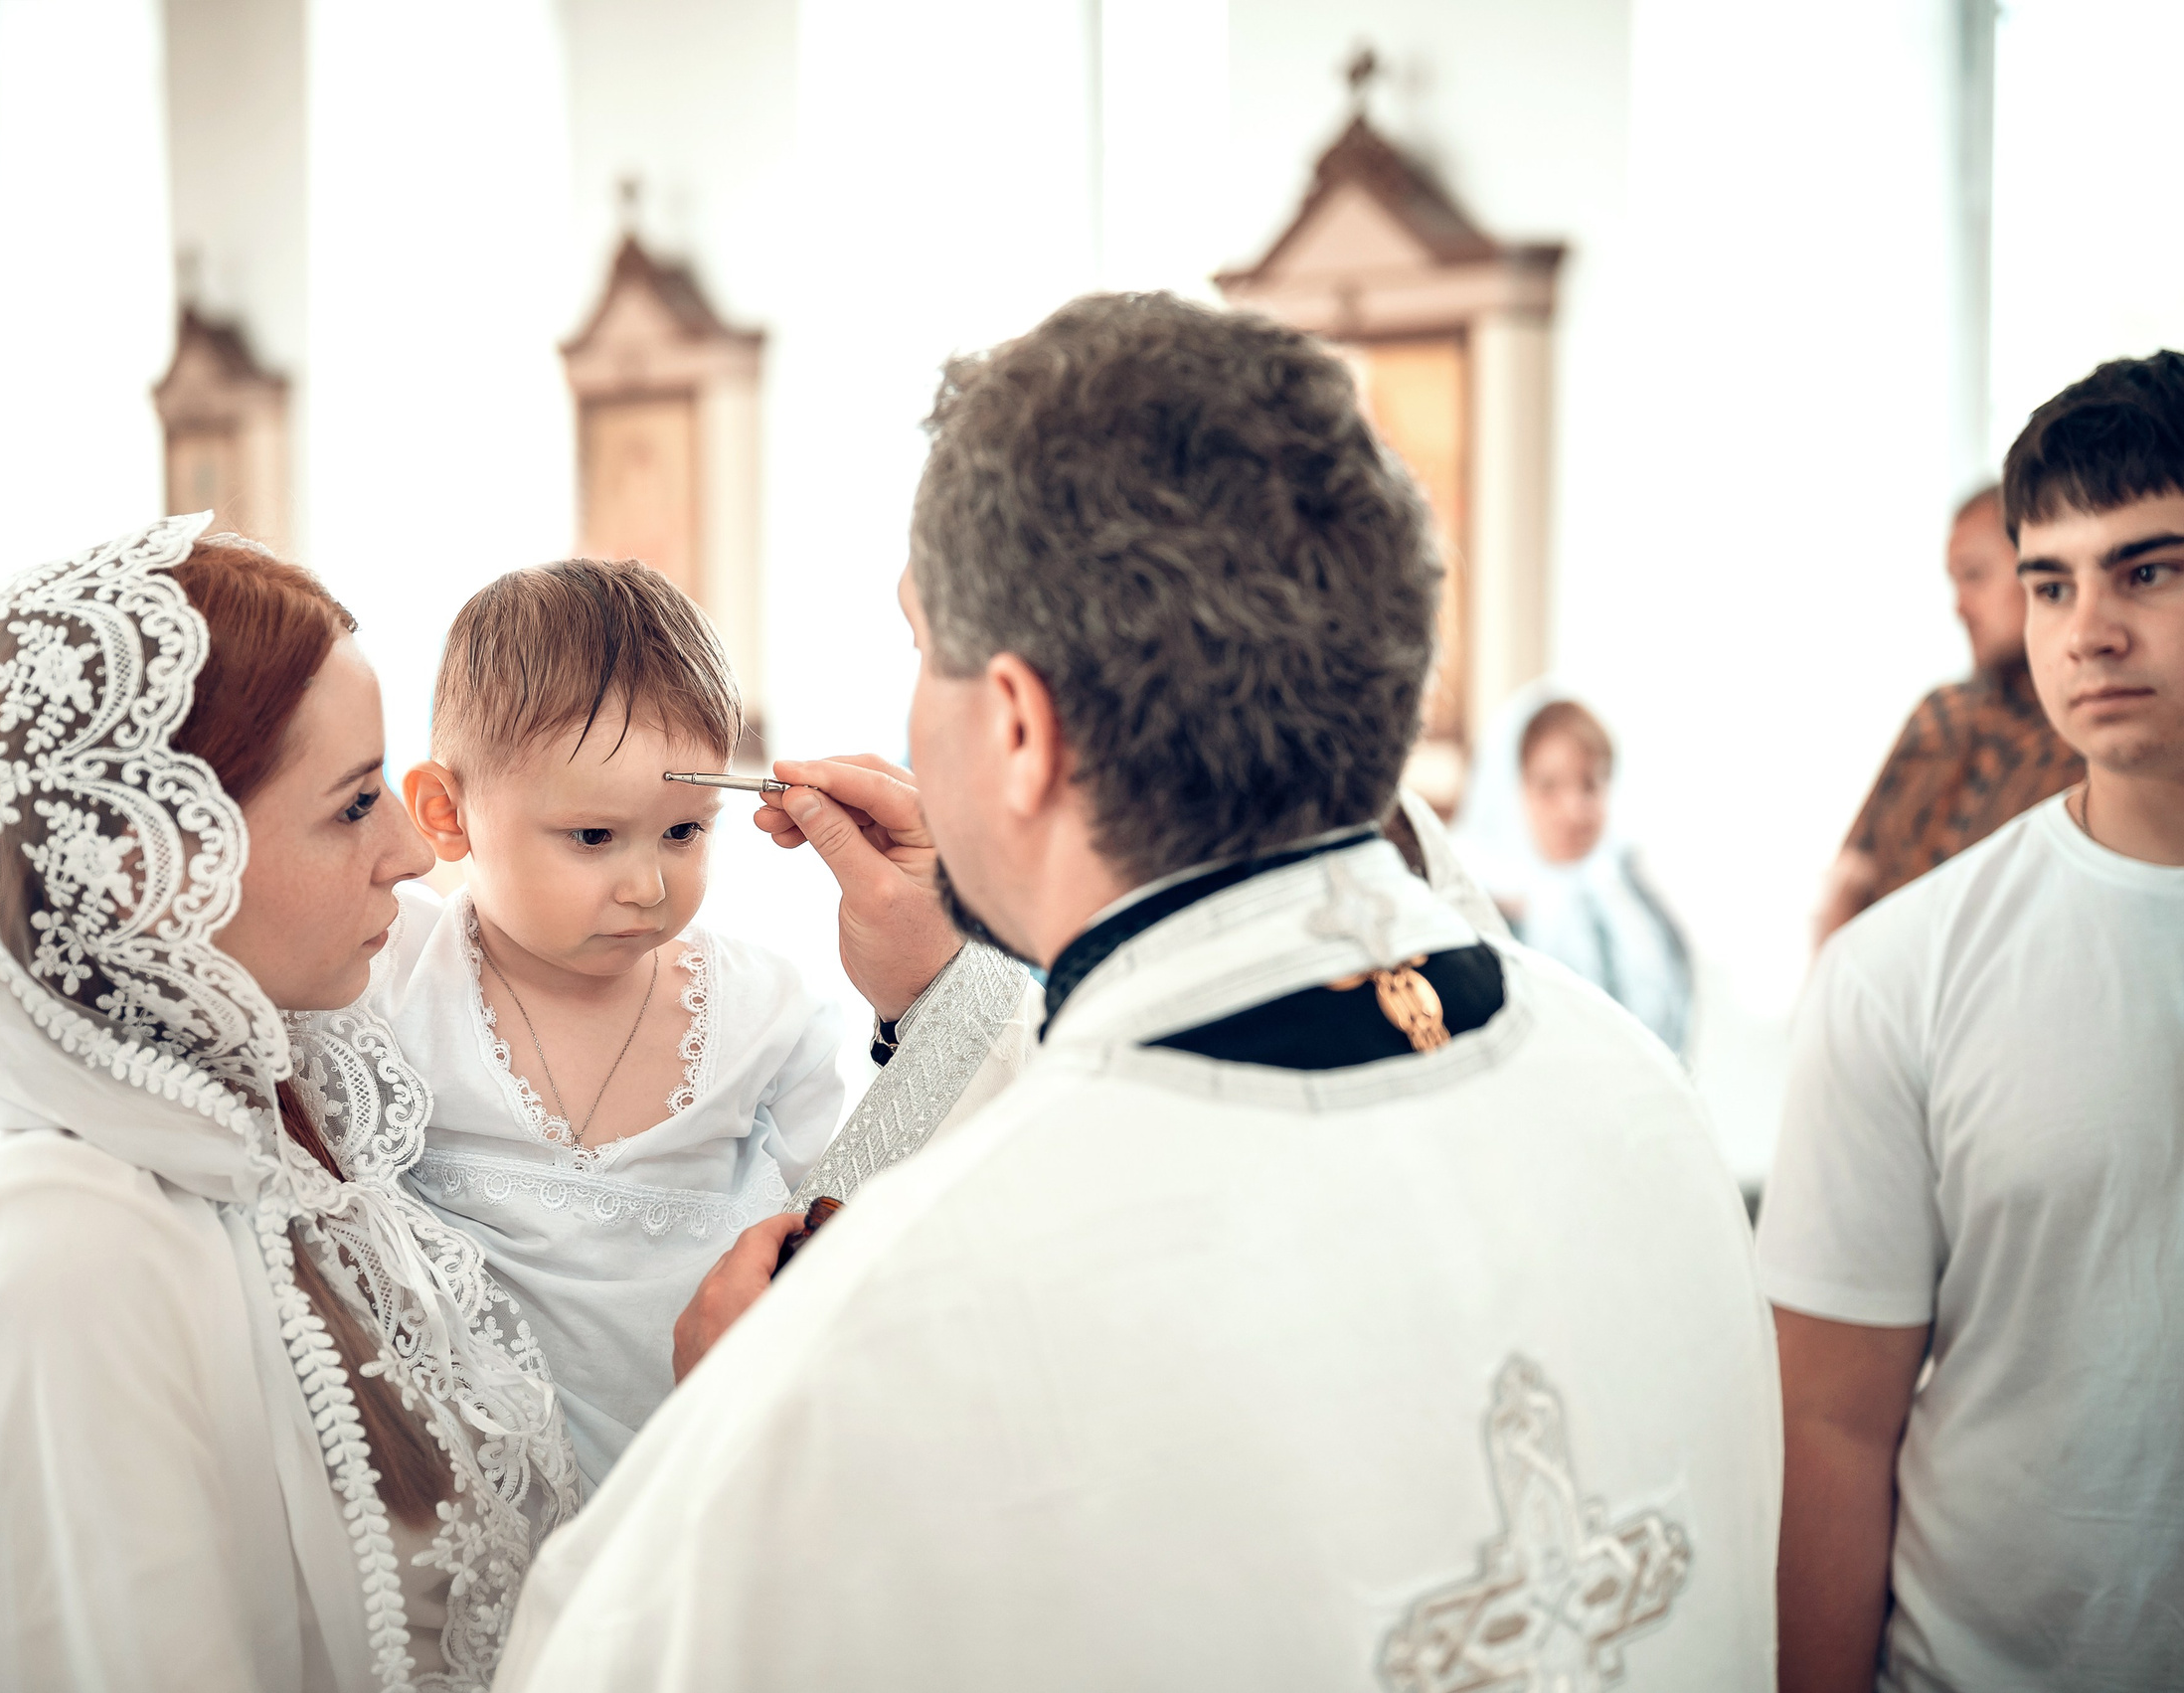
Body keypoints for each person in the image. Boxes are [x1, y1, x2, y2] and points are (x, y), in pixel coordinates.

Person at [491, 293, 1779, 1691]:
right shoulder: (1637, 1092)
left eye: (923, 646)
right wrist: (948, 976)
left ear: (1022, 726)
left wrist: (733, 1425)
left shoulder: (882, 1341)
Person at [0, 517, 579, 1691]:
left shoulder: (273, 1114)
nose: (409, 850)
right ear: (154, 863)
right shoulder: (60, 1261)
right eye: (354, 804)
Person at [371, 560, 989, 1486]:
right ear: (444, 813)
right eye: (592, 837)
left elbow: (846, 1234)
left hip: (709, 1484)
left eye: (684, 832)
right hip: (477, 1515)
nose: (648, 886)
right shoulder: (390, 980)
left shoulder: (765, 1015)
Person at [1762, 352, 2184, 1691]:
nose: (2087, 630)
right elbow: (1831, 1423)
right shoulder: (1899, 973)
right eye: (2049, 579)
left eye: (2148, 571)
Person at [1816, 485, 2086, 942]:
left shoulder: (2088, 734)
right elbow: (1852, 874)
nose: (1959, 606)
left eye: (1975, 575)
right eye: (1954, 581)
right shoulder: (1940, 713)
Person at [1453, 684, 1694, 1052]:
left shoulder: (1635, 895)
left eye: (1590, 784)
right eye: (1548, 786)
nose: (1573, 810)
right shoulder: (1477, 913)